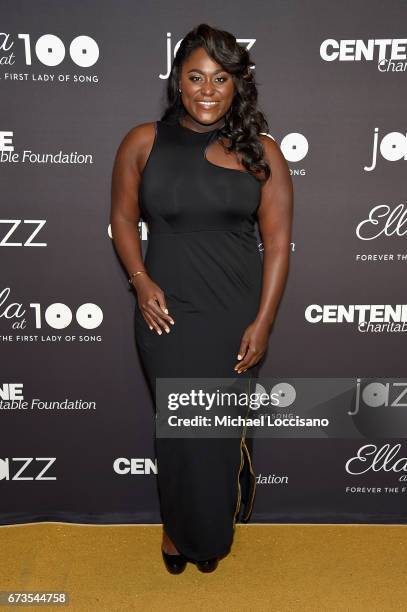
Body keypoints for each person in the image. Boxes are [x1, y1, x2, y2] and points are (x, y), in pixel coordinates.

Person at [110, 23, 293, 574]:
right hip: (165, 315)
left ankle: (208, 533)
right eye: (195, 76)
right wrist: (140, 281)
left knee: (214, 434)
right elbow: (121, 219)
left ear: (238, 85)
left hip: (234, 314)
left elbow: (279, 243)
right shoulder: (143, 141)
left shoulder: (262, 151)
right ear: (178, 83)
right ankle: (175, 533)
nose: (207, 89)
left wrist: (262, 323)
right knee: (180, 433)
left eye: (220, 77)